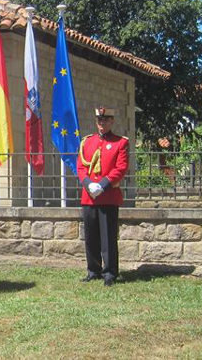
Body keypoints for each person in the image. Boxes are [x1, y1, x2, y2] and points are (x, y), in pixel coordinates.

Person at [77, 107, 129, 286]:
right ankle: (93, 270)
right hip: (89, 196)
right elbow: (81, 167)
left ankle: (110, 273)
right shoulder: (87, 142)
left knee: (108, 237)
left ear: (112, 121)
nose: (102, 123)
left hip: (108, 196)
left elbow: (121, 167)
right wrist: (88, 183)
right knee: (90, 236)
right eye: (99, 120)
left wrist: (104, 184)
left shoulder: (120, 143)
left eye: (105, 120)